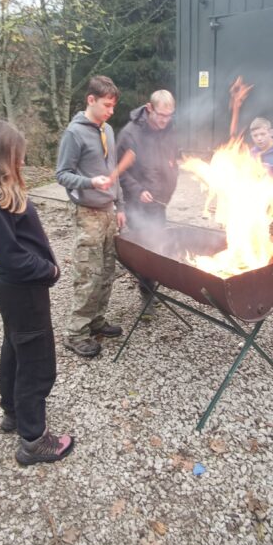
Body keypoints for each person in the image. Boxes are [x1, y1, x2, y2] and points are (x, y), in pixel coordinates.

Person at [0, 119, 73, 465]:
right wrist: (48, 270)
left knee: (15, 348)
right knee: (36, 362)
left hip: (13, 289)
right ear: (0, 155)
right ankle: (34, 439)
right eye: (17, 155)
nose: (22, 161)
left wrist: (10, 271)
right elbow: (9, 256)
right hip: (24, 292)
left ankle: (13, 411)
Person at [56, 76, 126, 358]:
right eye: (107, 105)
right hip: (87, 214)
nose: (111, 111)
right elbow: (62, 174)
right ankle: (75, 333)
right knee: (88, 274)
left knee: (107, 271)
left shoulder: (107, 130)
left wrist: (120, 205)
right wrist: (89, 182)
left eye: (113, 106)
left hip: (108, 212)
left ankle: (96, 320)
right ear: (91, 100)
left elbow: (114, 171)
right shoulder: (74, 134)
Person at [116, 89, 178, 234]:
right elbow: (118, 171)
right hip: (136, 207)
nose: (165, 120)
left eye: (169, 115)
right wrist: (138, 191)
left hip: (159, 205)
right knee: (142, 244)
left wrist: (170, 181)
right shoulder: (130, 134)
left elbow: (173, 161)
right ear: (149, 108)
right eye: (161, 115)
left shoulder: (169, 131)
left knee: (160, 243)